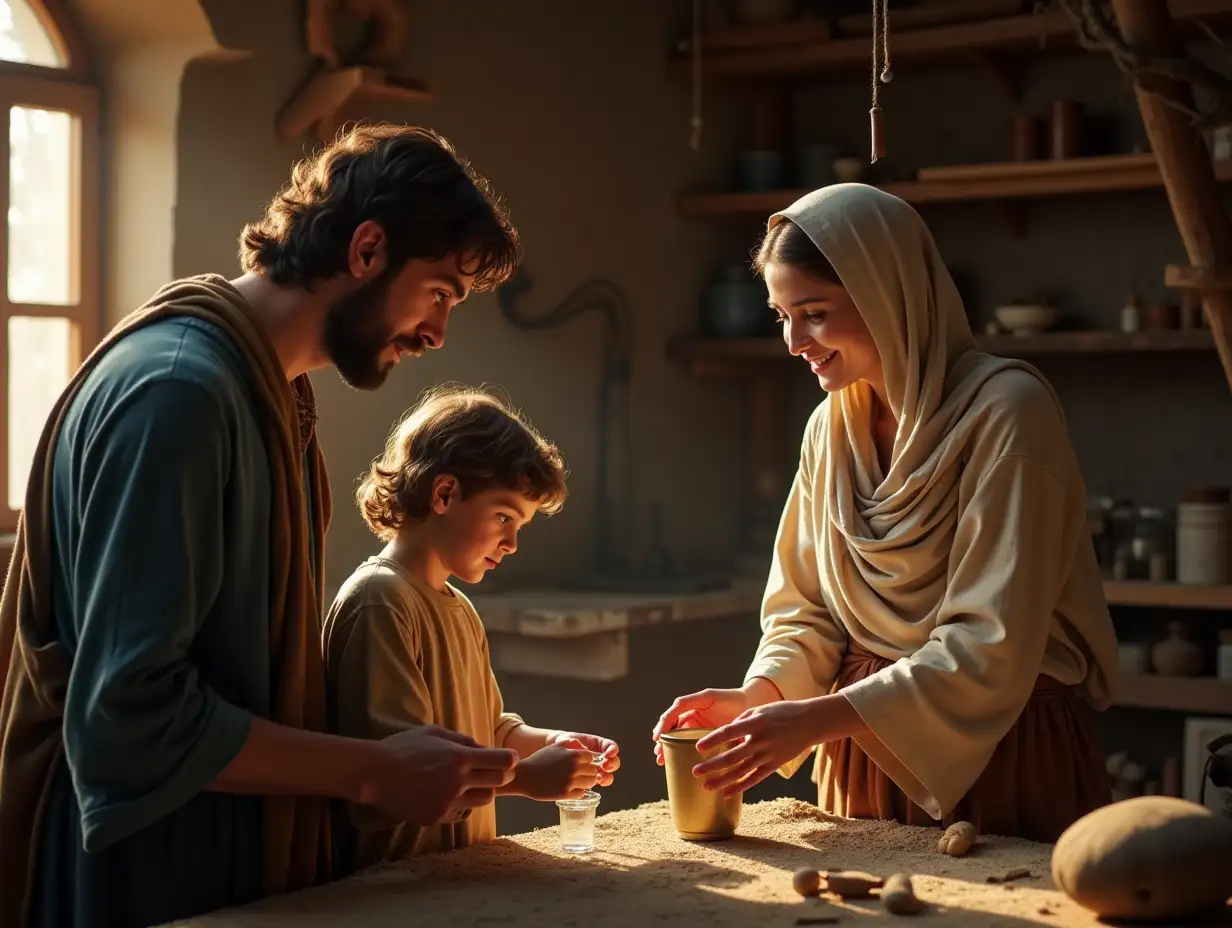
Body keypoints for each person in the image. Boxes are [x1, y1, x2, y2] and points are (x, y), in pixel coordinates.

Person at [0, 123, 526, 928]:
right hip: (145, 881)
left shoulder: (268, 394)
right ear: (367, 249)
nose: (436, 333)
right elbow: (131, 716)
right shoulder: (178, 394)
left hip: (211, 864)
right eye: (440, 293)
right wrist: (371, 773)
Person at [653, 183, 1121, 843]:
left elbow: (991, 642)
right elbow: (808, 610)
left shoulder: (1008, 414)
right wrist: (760, 697)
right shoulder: (830, 429)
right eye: (781, 314)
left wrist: (817, 718)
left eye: (813, 312)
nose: (793, 341)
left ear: (887, 295)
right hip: (864, 754)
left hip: (1005, 750)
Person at [324, 385, 620, 873]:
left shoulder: (459, 608)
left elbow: (491, 731)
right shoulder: (380, 601)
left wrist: (551, 744)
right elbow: (399, 777)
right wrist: (525, 778)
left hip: (461, 876)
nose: (511, 543)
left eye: (520, 526)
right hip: (396, 885)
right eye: (504, 516)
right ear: (444, 493)